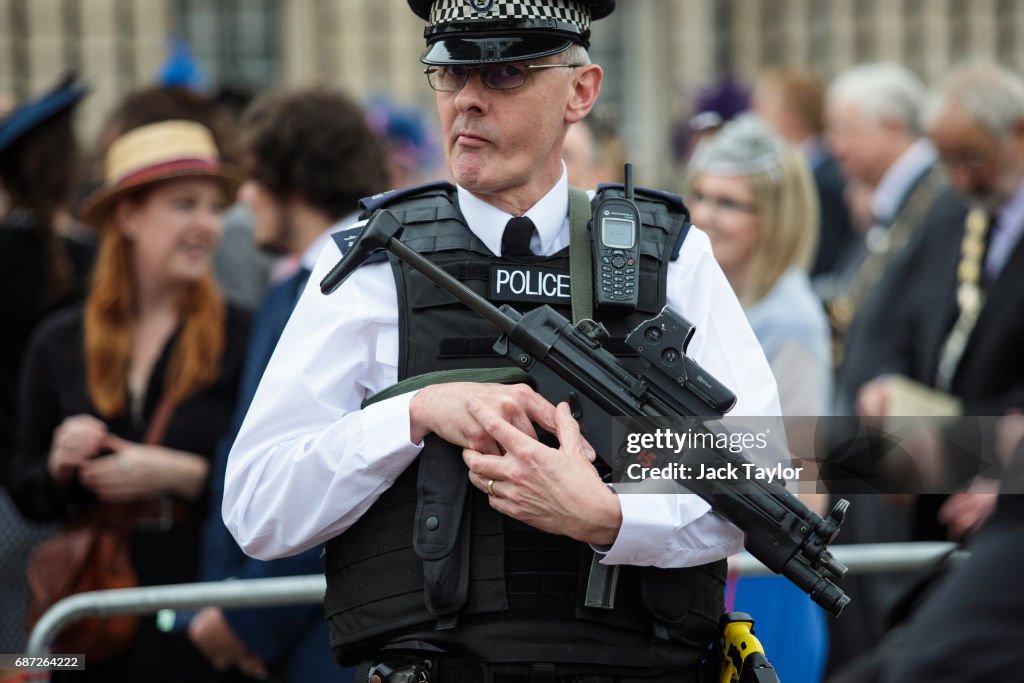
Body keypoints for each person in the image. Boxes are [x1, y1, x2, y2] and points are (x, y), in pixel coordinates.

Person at [224, 1, 780, 680]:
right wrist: (414, 414)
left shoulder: (672, 258)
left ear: (582, 91)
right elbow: (257, 505)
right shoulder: (376, 264)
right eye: (452, 74)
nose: (468, 102)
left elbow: (770, 466)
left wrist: (610, 515)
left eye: (506, 74)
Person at [9, 119, 250, 683]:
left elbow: (279, 472)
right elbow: (27, 489)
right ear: (129, 215)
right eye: (184, 205)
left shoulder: (245, 333)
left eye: (214, 208)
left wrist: (185, 474)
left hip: (199, 606)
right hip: (90, 616)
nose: (207, 226)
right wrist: (59, 461)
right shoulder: (58, 341)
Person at [826, 60, 1024, 683]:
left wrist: (1005, 470)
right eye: (949, 161)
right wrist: (892, 387)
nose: (962, 176)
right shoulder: (961, 213)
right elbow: (910, 325)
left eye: (974, 156)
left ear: (1018, 133)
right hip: (952, 475)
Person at [186, 87, 389, 683]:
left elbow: (341, 469)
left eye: (252, 178)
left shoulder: (353, 285)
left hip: (327, 641)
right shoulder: (291, 288)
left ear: (291, 179)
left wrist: (245, 618)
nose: (243, 199)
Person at [686, 114, 831, 683]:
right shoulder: (713, 294)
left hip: (759, 566)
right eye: (698, 194)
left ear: (773, 218)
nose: (704, 215)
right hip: (716, 542)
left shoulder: (790, 320)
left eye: (728, 203)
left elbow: (804, 469)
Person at [0, 72, 94, 669]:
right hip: (67, 494)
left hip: (9, 504)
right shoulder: (97, 262)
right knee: (61, 657)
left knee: (13, 656)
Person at [822, 63, 946, 382]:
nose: (835, 147)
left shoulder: (939, 196)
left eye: (845, 130)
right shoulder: (893, 197)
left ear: (891, 128)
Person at [752, 67, 856, 282]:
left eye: (763, 108)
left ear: (791, 116)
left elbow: (818, 262)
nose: (756, 120)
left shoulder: (825, 179)